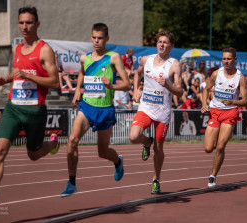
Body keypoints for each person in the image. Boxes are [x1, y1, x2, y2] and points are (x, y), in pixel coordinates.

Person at [0, 6, 60, 210]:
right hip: (14, 108)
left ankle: (51, 144)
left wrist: (29, 75)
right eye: (21, 23)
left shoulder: (45, 49)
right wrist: (4, 79)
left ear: (37, 24)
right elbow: (16, 73)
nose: (25, 26)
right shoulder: (16, 49)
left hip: (34, 111)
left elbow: (55, 82)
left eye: (29, 22)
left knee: (33, 154)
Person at [60, 23, 131, 197]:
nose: (96, 41)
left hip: (105, 109)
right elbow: (82, 73)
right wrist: (77, 90)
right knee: (72, 139)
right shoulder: (85, 58)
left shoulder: (113, 58)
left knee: (102, 152)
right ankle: (72, 182)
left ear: (107, 38)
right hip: (87, 107)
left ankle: (117, 162)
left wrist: (112, 86)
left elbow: (127, 84)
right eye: (94, 38)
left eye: (100, 38)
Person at [129, 30, 183, 194]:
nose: (162, 44)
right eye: (160, 41)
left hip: (162, 112)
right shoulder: (146, 60)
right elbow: (137, 74)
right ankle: (146, 142)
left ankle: (156, 179)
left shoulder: (174, 65)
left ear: (171, 46)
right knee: (133, 137)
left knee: (159, 148)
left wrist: (167, 85)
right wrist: (136, 90)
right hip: (146, 107)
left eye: (165, 42)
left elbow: (180, 92)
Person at [201, 47, 247, 188]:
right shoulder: (216, 74)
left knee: (220, 146)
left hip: (230, 112)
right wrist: (204, 104)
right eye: (224, 59)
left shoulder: (240, 77)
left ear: (235, 59)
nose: (226, 61)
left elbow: (245, 100)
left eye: (229, 59)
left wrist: (233, 101)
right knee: (209, 148)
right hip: (215, 111)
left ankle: (213, 176)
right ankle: (218, 141)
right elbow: (206, 89)